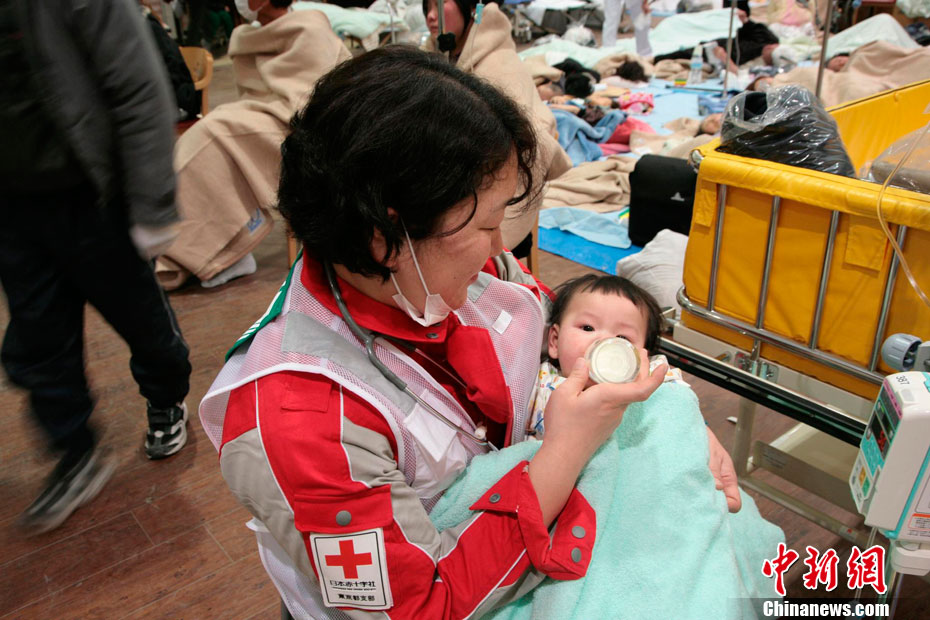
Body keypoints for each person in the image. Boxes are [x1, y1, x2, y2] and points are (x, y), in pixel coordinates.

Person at [201, 46, 740, 618]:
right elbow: (421, 604)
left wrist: (666, 419)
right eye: (485, 225)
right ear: (386, 234)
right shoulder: (300, 422)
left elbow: (562, 329)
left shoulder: (446, 273)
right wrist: (566, 450)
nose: (499, 249)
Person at [0, 0, 192, 534]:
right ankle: (74, 448)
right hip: (12, 205)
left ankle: (166, 398)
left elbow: (138, 86)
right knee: (37, 335)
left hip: (91, 193)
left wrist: (152, 204)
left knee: (140, 318)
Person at [155, 0, 352, 289]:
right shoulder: (246, 36)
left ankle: (220, 251)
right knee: (210, 139)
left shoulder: (310, 28)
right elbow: (254, 93)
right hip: (260, 113)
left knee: (217, 135)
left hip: (299, 129)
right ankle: (213, 249)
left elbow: (314, 99)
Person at [528, 275, 741, 512]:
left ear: (641, 356)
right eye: (588, 328)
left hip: (642, 487)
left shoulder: (652, 377)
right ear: (555, 341)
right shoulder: (540, 382)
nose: (605, 341)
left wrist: (701, 431)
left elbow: (678, 406)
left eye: (622, 338)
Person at [422, 0, 572, 255]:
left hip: (490, 193)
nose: (431, 16)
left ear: (470, 8)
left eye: (440, 4)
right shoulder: (437, 62)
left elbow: (528, 142)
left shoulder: (499, 66)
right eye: (427, 8)